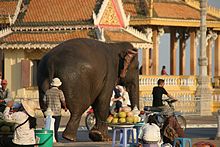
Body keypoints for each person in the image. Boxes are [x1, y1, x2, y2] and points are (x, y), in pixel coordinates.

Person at [44, 77, 67, 142]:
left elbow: (44, 101)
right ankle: (56, 139)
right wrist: (65, 107)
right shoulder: (59, 92)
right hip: (57, 112)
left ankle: (49, 139)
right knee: (55, 127)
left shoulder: (47, 91)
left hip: (49, 112)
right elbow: (63, 101)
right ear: (58, 85)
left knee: (49, 126)